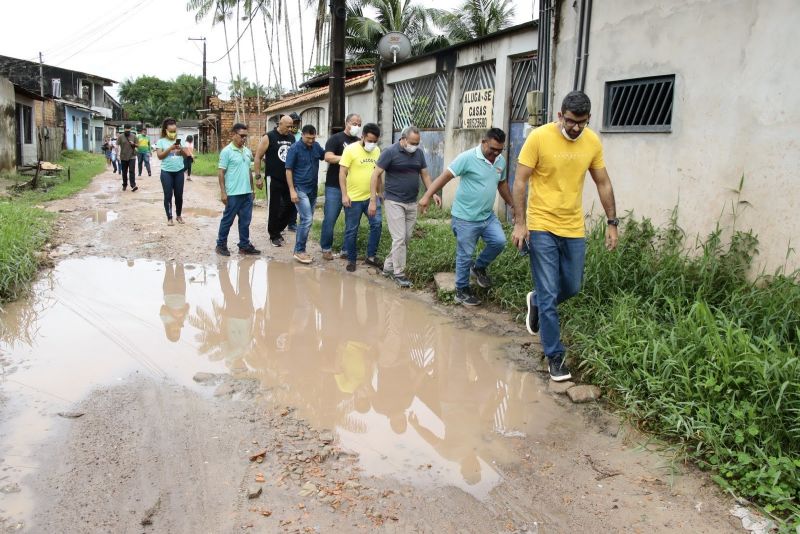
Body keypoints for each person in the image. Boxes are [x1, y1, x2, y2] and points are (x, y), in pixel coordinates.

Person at [511, 90, 618, 382]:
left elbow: (603, 183)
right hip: (541, 224)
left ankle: (537, 304)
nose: (575, 128)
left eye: (581, 122)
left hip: (572, 227)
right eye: (570, 121)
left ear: (588, 120)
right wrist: (520, 223)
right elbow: (519, 181)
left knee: (571, 286)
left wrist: (612, 222)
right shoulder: (539, 138)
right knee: (548, 293)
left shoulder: (592, 142)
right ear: (560, 115)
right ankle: (555, 356)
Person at [419, 128, 513, 306]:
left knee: (499, 242)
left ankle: (478, 268)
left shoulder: (500, 160)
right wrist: (426, 197)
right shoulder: (467, 158)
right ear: (483, 142)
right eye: (492, 149)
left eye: (500, 150)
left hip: (487, 216)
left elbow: (502, 184)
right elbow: (444, 177)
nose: (495, 153)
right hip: (465, 218)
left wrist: (513, 204)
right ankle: (461, 290)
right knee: (465, 254)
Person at [369, 125, 440, 288]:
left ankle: (388, 267)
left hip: (411, 202)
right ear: (403, 139)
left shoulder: (419, 154)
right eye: (412, 142)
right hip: (394, 201)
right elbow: (375, 175)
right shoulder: (390, 152)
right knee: (399, 238)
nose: (415, 146)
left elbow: (425, 175)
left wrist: (433, 192)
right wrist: (373, 200)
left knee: (405, 239)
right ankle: (399, 274)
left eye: (417, 143)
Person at [340, 122, 382, 273]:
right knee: (352, 229)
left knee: (377, 225)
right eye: (369, 140)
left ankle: (370, 256)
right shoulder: (350, 150)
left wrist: (380, 193)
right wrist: (344, 195)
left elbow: (378, 174)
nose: (372, 144)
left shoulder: (377, 150)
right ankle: (351, 259)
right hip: (353, 199)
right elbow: (342, 173)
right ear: (363, 136)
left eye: (375, 141)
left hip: (372, 197)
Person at [215, 122, 260, 256]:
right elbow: (221, 172)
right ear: (234, 135)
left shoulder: (246, 151)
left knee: (245, 222)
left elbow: (248, 171)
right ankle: (221, 245)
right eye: (241, 136)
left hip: (246, 193)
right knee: (227, 221)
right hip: (233, 194)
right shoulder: (226, 151)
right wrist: (223, 192)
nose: (244, 139)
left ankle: (244, 245)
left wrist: (252, 190)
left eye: (246, 136)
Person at [321, 113, 361, 260]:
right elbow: (328, 157)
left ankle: (346, 250)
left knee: (352, 221)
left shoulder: (359, 142)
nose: (357, 126)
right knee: (330, 218)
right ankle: (326, 248)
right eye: (354, 123)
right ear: (347, 123)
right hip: (334, 187)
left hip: (353, 188)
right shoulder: (336, 139)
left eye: (359, 124)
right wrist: (347, 158)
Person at [285, 124, 325, 264]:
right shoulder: (294, 149)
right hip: (299, 189)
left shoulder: (316, 146)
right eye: (308, 138)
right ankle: (299, 251)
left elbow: (325, 156)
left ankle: (299, 250)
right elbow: (288, 170)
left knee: (305, 220)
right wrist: (292, 190)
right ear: (302, 135)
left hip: (312, 190)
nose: (311, 141)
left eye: (313, 138)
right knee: (307, 219)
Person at [254, 115, 296, 247]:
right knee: (274, 207)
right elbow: (258, 157)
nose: (290, 129)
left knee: (290, 205)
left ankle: (278, 229)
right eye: (288, 126)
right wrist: (258, 176)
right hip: (274, 177)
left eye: (291, 126)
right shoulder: (269, 137)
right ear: (280, 124)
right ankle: (273, 235)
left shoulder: (291, 138)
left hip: (288, 178)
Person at [155, 118, 190, 225]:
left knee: (179, 195)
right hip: (166, 172)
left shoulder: (181, 140)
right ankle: (169, 217)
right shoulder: (161, 141)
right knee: (168, 195)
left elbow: (186, 155)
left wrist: (181, 149)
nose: (173, 133)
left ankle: (178, 216)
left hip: (179, 172)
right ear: (166, 130)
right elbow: (160, 156)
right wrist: (170, 148)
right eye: (171, 131)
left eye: (174, 131)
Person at [159, 261, 189, 342]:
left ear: (169, 330)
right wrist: (183, 313)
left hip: (169, 291)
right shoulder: (182, 320)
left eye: (174, 331)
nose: (176, 329)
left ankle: (168, 251)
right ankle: (180, 254)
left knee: (169, 267)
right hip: (181, 292)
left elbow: (163, 308)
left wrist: (174, 316)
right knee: (180, 267)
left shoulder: (166, 320)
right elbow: (188, 305)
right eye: (178, 331)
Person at [287, 111, 302, 231]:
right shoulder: (283, 135)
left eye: (297, 123)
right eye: (293, 123)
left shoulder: (301, 136)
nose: (295, 126)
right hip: (284, 170)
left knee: (294, 197)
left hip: (297, 171)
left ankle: (292, 223)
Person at [116, 125, 138, 191]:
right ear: (124, 129)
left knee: (132, 171)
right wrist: (117, 155)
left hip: (132, 156)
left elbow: (138, 145)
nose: (127, 132)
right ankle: (124, 184)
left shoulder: (134, 136)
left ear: (130, 129)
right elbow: (117, 145)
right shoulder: (120, 136)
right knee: (124, 172)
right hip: (123, 156)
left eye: (128, 130)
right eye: (126, 130)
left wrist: (133, 144)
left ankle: (133, 185)